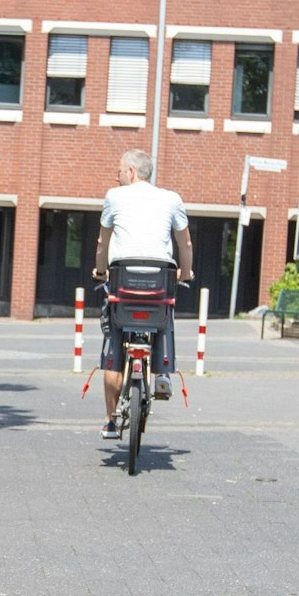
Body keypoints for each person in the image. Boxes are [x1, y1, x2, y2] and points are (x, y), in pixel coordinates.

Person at [90, 148, 194, 438]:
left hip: (123, 281)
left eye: (119, 170)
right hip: (160, 281)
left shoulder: (114, 196)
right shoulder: (172, 199)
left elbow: (102, 242)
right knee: (164, 314)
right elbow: (184, 244)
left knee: (114, 338)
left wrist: (100, 270)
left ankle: (110, 420)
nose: (117, 175)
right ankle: (162, 374)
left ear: (131, 172)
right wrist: (186, 272)